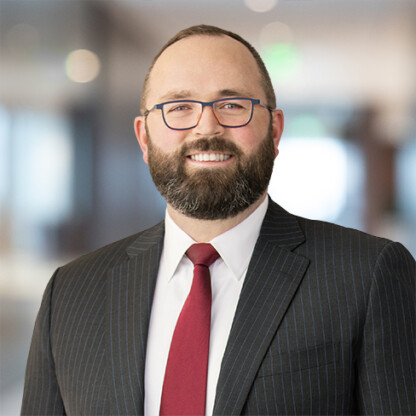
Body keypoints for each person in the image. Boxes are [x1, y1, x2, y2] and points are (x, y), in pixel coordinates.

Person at [22, 25, 415, 416]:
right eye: (179, 107)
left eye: (232, 105)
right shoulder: (70, 293)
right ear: (144, 139)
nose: (207, 127)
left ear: (275, 131)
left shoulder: (369, 276)